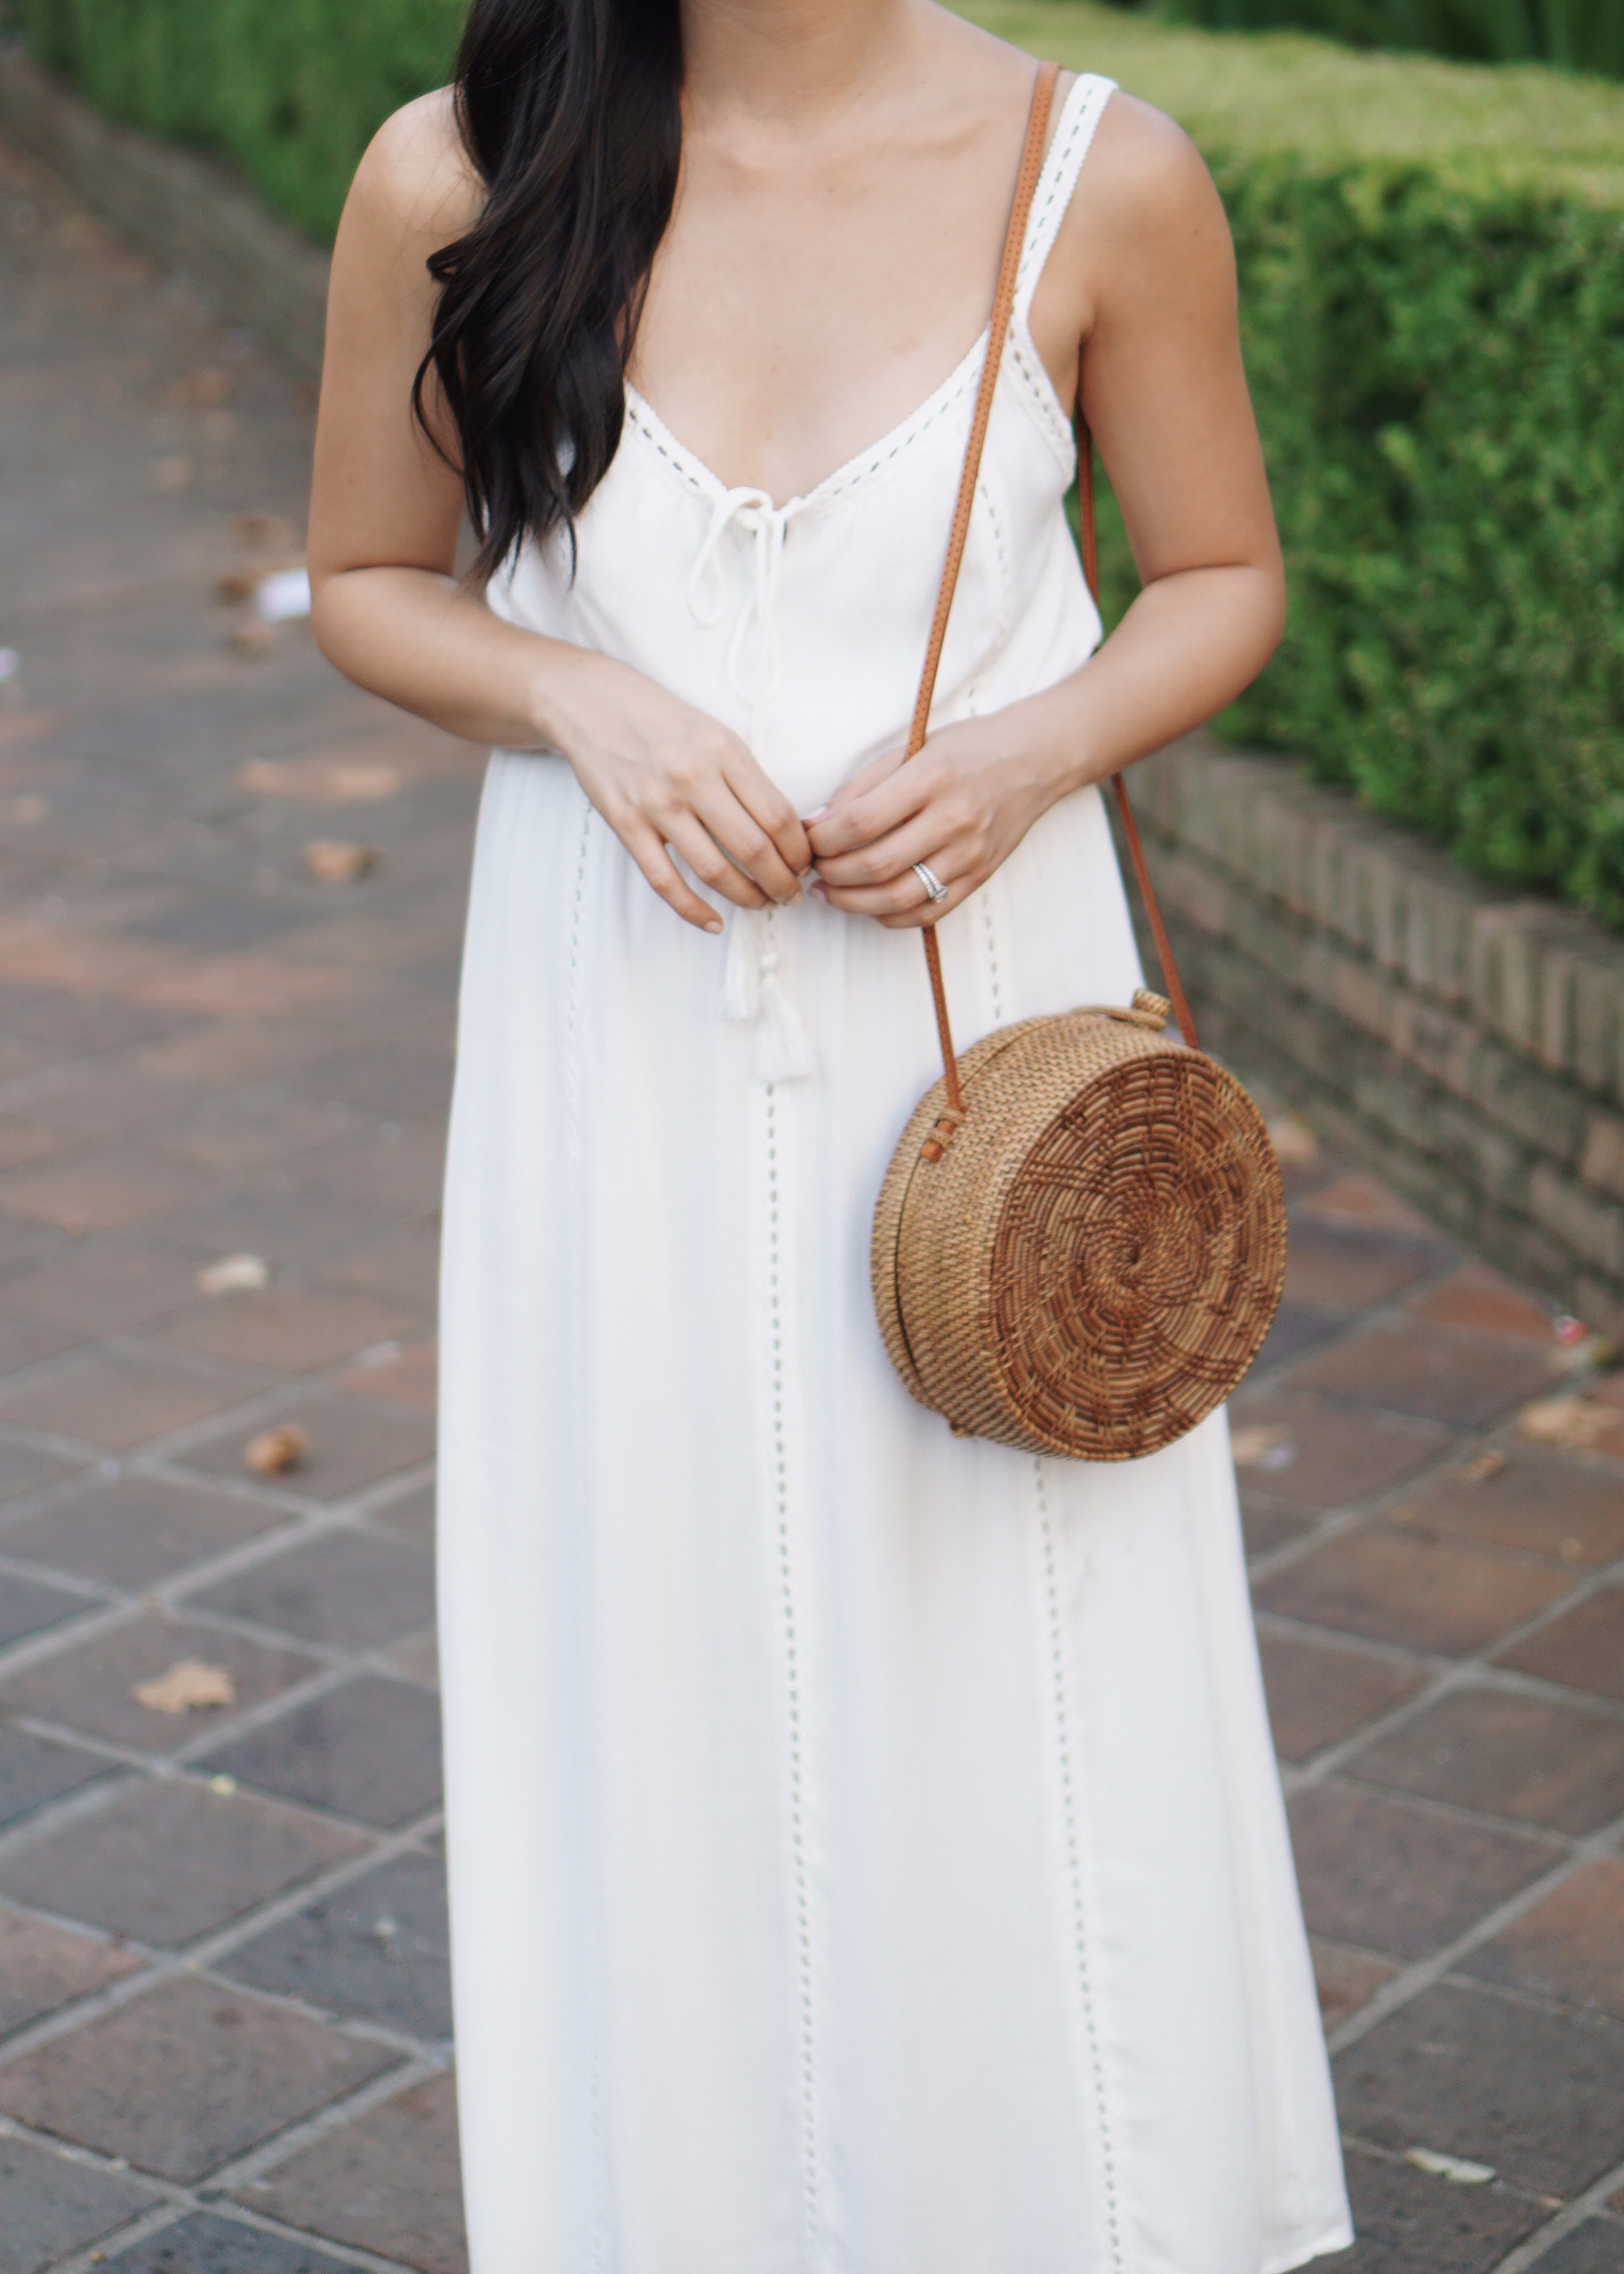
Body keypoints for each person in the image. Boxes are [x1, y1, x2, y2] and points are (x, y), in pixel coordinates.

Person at [308, 0, 1352, 2265]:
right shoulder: (457, 174)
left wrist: (1026, 751)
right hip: (619, 1013)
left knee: (1022, 1635)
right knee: (647, 1641)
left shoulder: (1102, 172)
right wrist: (573, 690)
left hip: (983, 1054)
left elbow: (1223, 576)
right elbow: (373, 583)